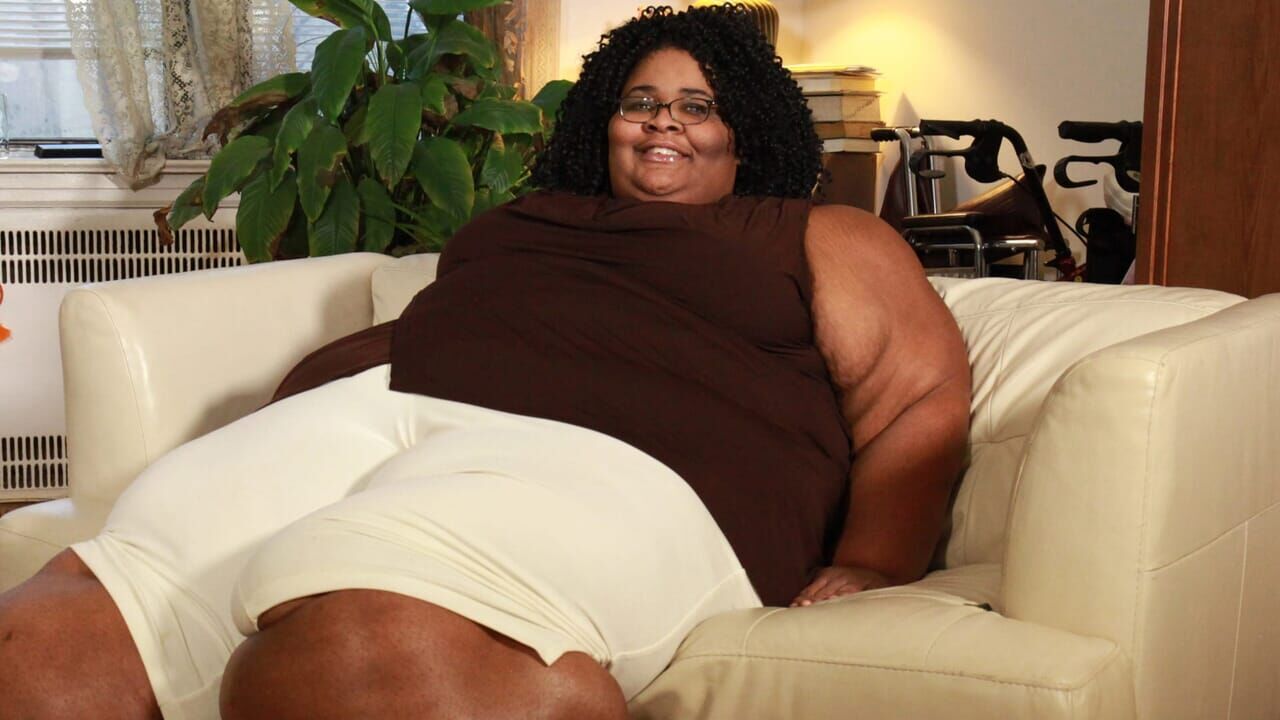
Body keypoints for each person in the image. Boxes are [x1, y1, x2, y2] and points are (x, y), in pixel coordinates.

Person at [0, 5, 970, 719]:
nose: (662, 122)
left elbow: (917, 398)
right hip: (386, 411)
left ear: (746, 131)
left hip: (621, 460)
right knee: (51, 638)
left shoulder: (814, 233)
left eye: (696, 106)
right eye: (639, 102)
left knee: (336, 653)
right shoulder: (525, 221)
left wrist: (870, 560)